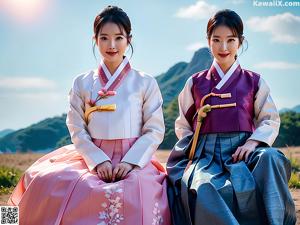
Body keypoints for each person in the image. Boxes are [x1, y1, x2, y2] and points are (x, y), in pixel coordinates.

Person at [8, 6, 170, 225]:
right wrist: (97, 160)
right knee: (40, 179)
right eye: (104, 38)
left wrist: (131, 162)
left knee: (138, 194)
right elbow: (76, 127)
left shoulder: (145, 82)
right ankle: (6, 221)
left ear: (129, 39)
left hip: (133, 158)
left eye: (118, 38)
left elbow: (154, 129)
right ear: (95, 39)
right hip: (91, 155)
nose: (111, 45)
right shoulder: (82, 82)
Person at [166, 9, 296, 225]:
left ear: (240, 41)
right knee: (203, 185)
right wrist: (194, 153)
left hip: (244, 151)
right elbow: (183, 125)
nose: (223, 47)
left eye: (230, 40)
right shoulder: (194, 83)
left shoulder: (254, 81)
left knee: (271, 157)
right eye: (216, 40)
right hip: (207, 156)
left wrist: (253, 142)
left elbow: (270, 119)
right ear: (208, 42)